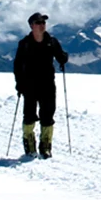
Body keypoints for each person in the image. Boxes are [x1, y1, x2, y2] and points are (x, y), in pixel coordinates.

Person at [13, 12, 68, 158]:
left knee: (48, 115)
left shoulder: (52, 41)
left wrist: (63, 58)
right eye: (38, 22)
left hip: (48, 84)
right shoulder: (24, 44)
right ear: (31, 26)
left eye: (43, 22)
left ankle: (45, 147)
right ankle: (30, 145)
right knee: (30, 115)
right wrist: (19, 84)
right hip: (29, 85)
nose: (42, 25)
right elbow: (18, 65)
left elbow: (60, 55)